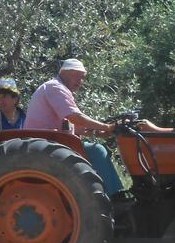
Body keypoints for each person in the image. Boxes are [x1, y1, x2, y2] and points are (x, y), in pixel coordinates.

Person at [25, 58, 124, 196]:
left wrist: (101, 133)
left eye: (82, 78)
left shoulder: (58, 89)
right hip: (44, 144)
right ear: (65, 73)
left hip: (52, 141)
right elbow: (75, 117)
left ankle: (104, 195)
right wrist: (106, 127)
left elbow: (73, 126)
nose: (80, 81)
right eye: (77, 76)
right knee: (98, 151)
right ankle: (116, 196)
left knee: (96, 148)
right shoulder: (55, 87)